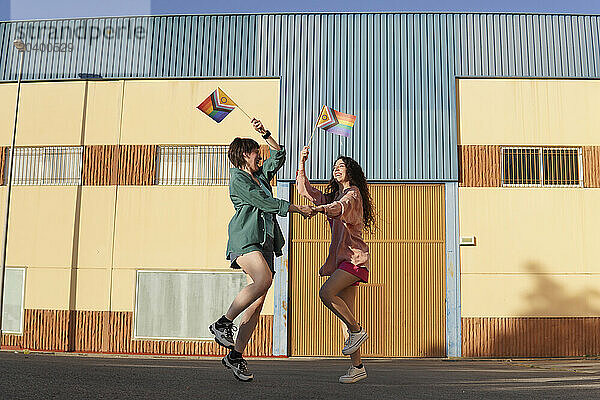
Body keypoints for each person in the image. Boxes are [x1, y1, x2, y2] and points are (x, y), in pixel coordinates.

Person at [210, 119, 312, 382]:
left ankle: (235, 356)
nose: (260, 156)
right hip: (245, 238)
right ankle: (223, 322)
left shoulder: (260, 175)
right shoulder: (239, 179)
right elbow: (264, 202)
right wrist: (297, 209)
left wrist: (265, 134)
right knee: (264, 279)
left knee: (256, 304)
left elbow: (279, 155)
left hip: (265, 240)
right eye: (257, 152)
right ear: (245, 154)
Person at [296, 145, 376, 384]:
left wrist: (320, 209)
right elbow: (306, 191)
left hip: (354, 259)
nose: (336, 168)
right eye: (334, 166)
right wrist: (302, 162)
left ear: (350, 171)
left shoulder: (352, 195)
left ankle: (358, 329)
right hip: (343, 261)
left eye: (341, 165)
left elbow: (338, 208)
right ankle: (358, 367)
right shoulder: (334, 195)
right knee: (345, 319)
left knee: (326, 293)